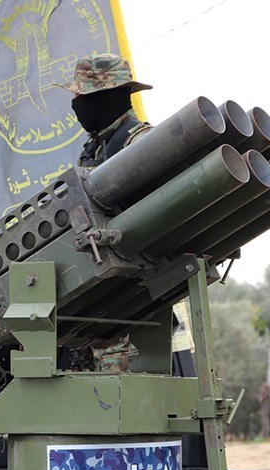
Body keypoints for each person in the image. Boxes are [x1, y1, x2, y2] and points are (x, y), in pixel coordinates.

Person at [62, 53, 194, 371]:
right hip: (103, 302)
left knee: (126, 397)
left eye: (81, 97)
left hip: (135, 304)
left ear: (104, 98)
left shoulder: (144, 145)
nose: (76, 105)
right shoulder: (96, 148)